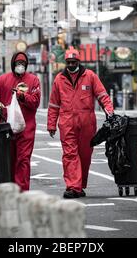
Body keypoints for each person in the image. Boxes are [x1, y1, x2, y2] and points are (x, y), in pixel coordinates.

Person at [47, 46, 114, 199]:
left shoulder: (90, 76)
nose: (71, 65)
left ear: (78, 61)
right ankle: (72, 187)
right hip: (67, 122)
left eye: (74, 62)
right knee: (70, 154)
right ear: (65, 62)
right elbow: (54, 104)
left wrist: (110, 112)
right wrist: (51, 124)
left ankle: (80, 185)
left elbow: (102, 95)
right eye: (69, 62)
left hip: (87, 122)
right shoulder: (59, 79)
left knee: (85, 155)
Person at [0, 52, 41, 191]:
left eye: (23, 64)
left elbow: (35, 102)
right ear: (13, 65)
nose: (20, 66)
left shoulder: (33, 80)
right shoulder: (2, 80)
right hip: (6, 128)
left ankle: (22, 191)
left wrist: (22, 96)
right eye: (18, 64)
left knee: (23, 160)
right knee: (7, 160)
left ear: (26, 65)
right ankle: (9, 189)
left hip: (26, 128)